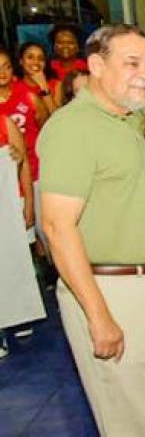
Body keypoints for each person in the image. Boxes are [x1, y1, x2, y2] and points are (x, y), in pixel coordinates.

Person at [38, 23, 145, 436]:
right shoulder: (73, 128)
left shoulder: (128, 123)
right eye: (132, 63)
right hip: (114, 291)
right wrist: (99, 315)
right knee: (133, 424)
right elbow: (56, 225)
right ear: (95, 66)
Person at [0, 114, 45, 360]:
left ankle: (17, 313)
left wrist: (28, 202)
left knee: (14, 260)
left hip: (7, 203)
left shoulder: (3, 121)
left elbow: (23, 161)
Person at [0, 47, 49, 251]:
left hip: (35, 175)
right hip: (8, 183)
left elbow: (48, 131)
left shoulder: (27, 96)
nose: (2, 73)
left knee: (45, 233)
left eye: (6, 67)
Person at [16, 42, 59, 111]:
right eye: (30, 57)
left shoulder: (56, 84)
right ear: (21, 61)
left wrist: (44, 86)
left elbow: (59, 117)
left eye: (41, 58)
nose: (36, 62)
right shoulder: (14, 85)